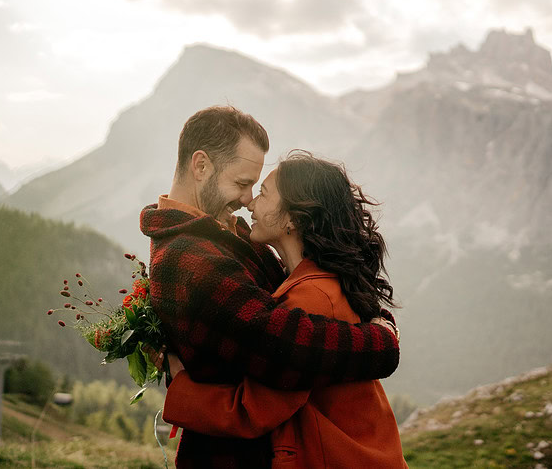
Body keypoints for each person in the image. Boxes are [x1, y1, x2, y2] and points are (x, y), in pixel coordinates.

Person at [140, 106, 400, 468]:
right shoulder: (188, 257)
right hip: (231, 456)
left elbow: (311, 302)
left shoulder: (229, 233)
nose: (248, 200)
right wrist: (381, 342)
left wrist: (375, 316)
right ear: (201, 166)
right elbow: (286, 343)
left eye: (256, 188)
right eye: (242, 184)